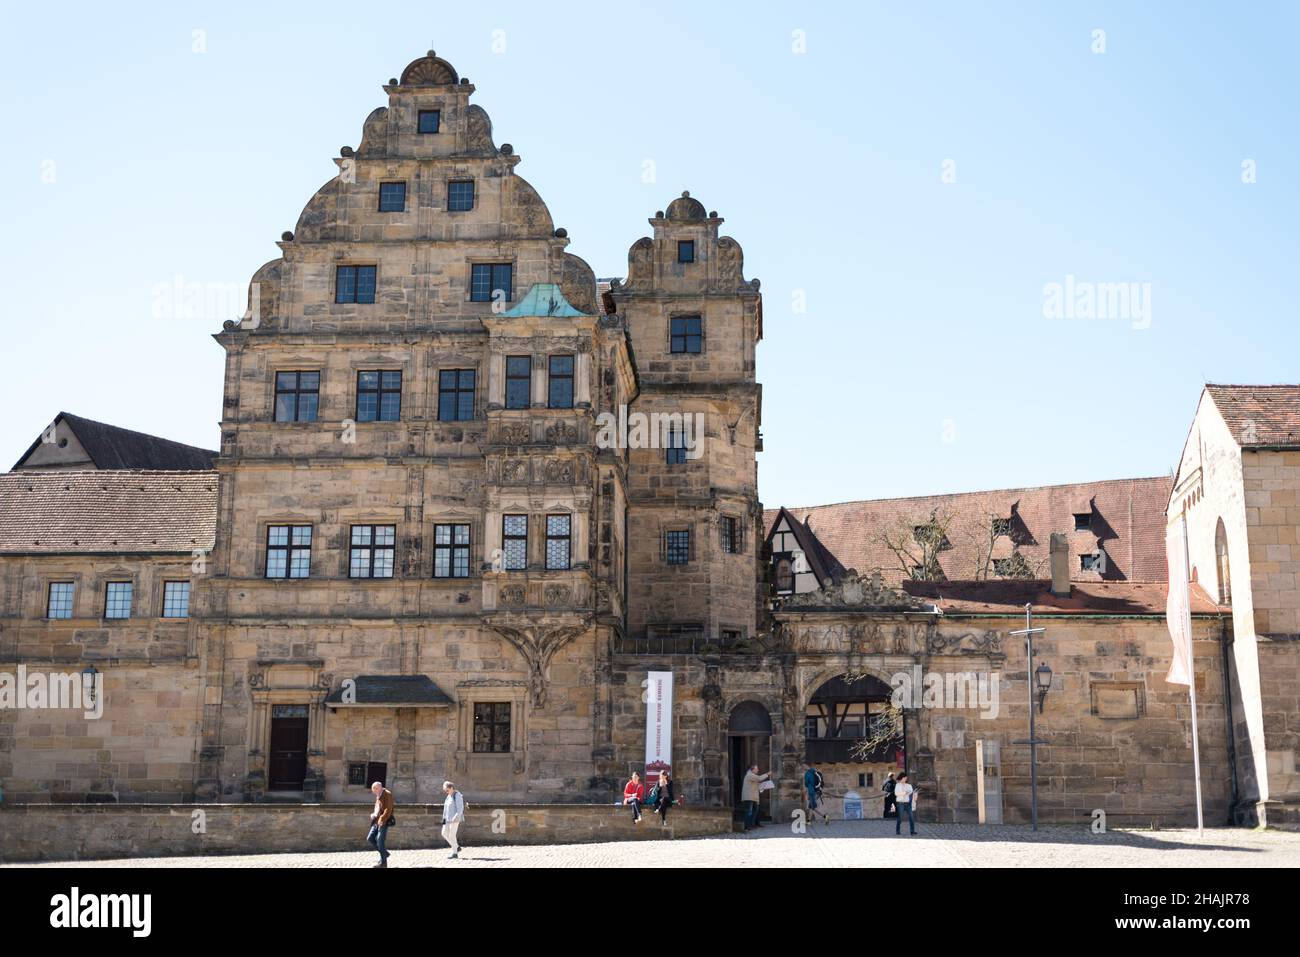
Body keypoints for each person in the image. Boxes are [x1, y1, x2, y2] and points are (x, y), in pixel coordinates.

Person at [367, 781, 395, 868]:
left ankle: (383, 863)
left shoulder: (387, 794)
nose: (374, 792)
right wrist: (374, 815)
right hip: (376, 821)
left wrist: (382, 819)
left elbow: (388, 809)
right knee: (370, 838)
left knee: (380, 841)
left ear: (378, 787)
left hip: (384, 821)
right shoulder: (378, 795)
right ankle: (385, 853)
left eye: (374, 790)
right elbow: (378, 808)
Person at [741, 764, 770, 831]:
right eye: (757, 769)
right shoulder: (749, 775)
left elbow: (756, 784)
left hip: (753, 797)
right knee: (749, 812)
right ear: (753, 769)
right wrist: (767, 774)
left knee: (755, 811)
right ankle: (747, 827)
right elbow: (759, 778)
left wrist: (763, 786)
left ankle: (753, 824)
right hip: (749, 797)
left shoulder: (752, 776)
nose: (758, 770)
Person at [441, 780, 465, 859]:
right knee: (444, 833)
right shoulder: (448, 796)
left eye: (447, 790)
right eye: (445, 790)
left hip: (455, 819)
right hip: (447, 819)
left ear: (451, 788)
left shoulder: (457, 795)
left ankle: (455, 853)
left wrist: (457, 816)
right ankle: (456, 847)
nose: (446, 791)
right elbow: (445, 809)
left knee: (452, 835)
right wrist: (443, 820)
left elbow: (460, 808)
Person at [803, 760, 829, 826]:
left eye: (803, 766)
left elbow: (806, 784)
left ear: (806, 766)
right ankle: (808, 821)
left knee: (813, 807)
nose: (803, 767)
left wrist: (807, 792)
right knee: (811, 807)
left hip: (812, 792)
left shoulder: (807, 774)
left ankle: (825, 816)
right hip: (817, 791)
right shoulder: (814, 771)